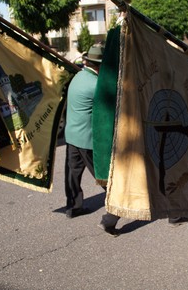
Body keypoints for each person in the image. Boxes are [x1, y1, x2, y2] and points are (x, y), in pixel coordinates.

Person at [64, 44, 120, 235]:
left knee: (73, 173)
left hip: (71, 134)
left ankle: (73, 206)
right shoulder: (96, 84)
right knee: (103, 174)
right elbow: (111, 110)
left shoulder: (78, 76)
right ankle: (116, 205)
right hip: (87, 138)